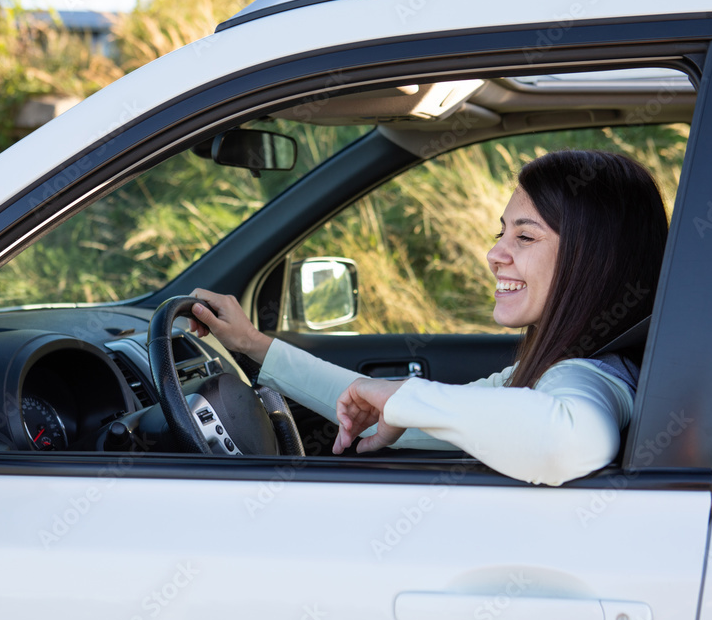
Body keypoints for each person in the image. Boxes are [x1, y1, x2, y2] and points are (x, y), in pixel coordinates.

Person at [188, 150, 669, 485]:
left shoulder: (589, 375)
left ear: (594, 259)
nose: (493, 254)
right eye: (501, 233)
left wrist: (409, 400)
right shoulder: (550, 373)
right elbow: (392, 411)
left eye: (525, 238)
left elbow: (569, 441)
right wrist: (252, 343)